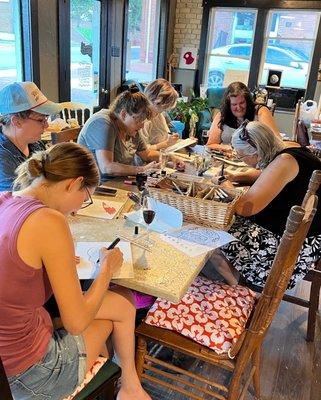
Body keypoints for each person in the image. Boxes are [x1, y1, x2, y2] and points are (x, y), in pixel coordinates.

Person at [0, 142, 151, 400]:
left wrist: (56, 259)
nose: (80, 206)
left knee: (121, 304)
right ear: (74, 183)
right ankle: (129, 387)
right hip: (32, 374)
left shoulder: (5, 200)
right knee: (123, 305)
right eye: (85, 196)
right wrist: (106, 269)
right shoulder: (49, 220)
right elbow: (76, 322)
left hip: (10, 353)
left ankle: (129, 386)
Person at [210, 120, 321, 289]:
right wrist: (236, 176)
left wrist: (226, 185)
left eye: (241, 156)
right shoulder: (289, 148)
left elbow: (245, 208)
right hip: (305, 243)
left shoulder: (284, 162)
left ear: (257, 153)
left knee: (210, 231)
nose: (241, 160)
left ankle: (241, 291)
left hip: (287, 255)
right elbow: (267, 175)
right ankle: (237, 277)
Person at [78, 90, 160, 178]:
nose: (142, 126)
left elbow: (146, 155)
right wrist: (142, 169)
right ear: (124, 114)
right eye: (139, 120)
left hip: (118, 181)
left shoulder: (130, 128)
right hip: (97, 185)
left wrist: (168, 157)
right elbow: (107, 167)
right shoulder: (103, 123)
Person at [0, 81, 65, 191]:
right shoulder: (3, 160)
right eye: (41, 120)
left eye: (46, 119)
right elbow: (20, 202)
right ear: (17, 121)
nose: (47, 125)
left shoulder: (35, 144)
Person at [206, 81, 280, 155]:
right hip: (227, 160)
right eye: (234, 104)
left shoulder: (260, 111)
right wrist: (230, 149)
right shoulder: (221, 115)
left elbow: (276, 142)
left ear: (248, 101)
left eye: (242, 103)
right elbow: (210, 145)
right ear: (228, 105)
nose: (238, 107)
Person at [142, 78, 179, 150]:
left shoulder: (159, 113)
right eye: (166, 104)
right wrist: (166, 143)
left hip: (163, 153)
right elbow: (144, 151)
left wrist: (173, 138)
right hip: (149, 159)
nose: (167, 108)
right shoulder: (142, 119)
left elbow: (166, 135)